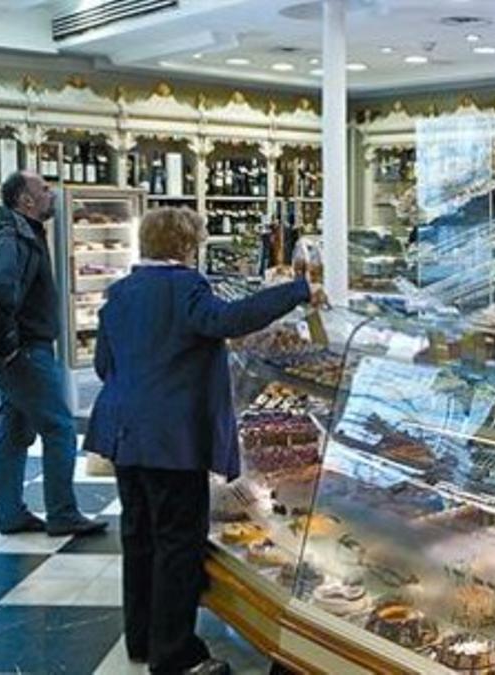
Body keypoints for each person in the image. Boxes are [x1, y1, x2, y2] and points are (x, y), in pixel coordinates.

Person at [84, 208, 324, 675]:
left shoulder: (120, 292)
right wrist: (298, 291)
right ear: (186, 245)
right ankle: (174, 655)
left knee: (139, 536)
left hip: (122, 434)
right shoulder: (185, 287)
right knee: (178, 542)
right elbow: (229, 320)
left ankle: (142, 639)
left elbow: (102, 365)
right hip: (171, 439)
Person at [0, 171, 106, 537]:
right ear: (25, 201)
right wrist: (9, 347)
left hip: (23, 351)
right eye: (44, 189)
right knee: (60, 427)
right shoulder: (16, 238)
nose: (52, 194)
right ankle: (62, 512)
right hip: (26, 352)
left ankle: (11, 511)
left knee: (15, 430)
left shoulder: (23, 234)